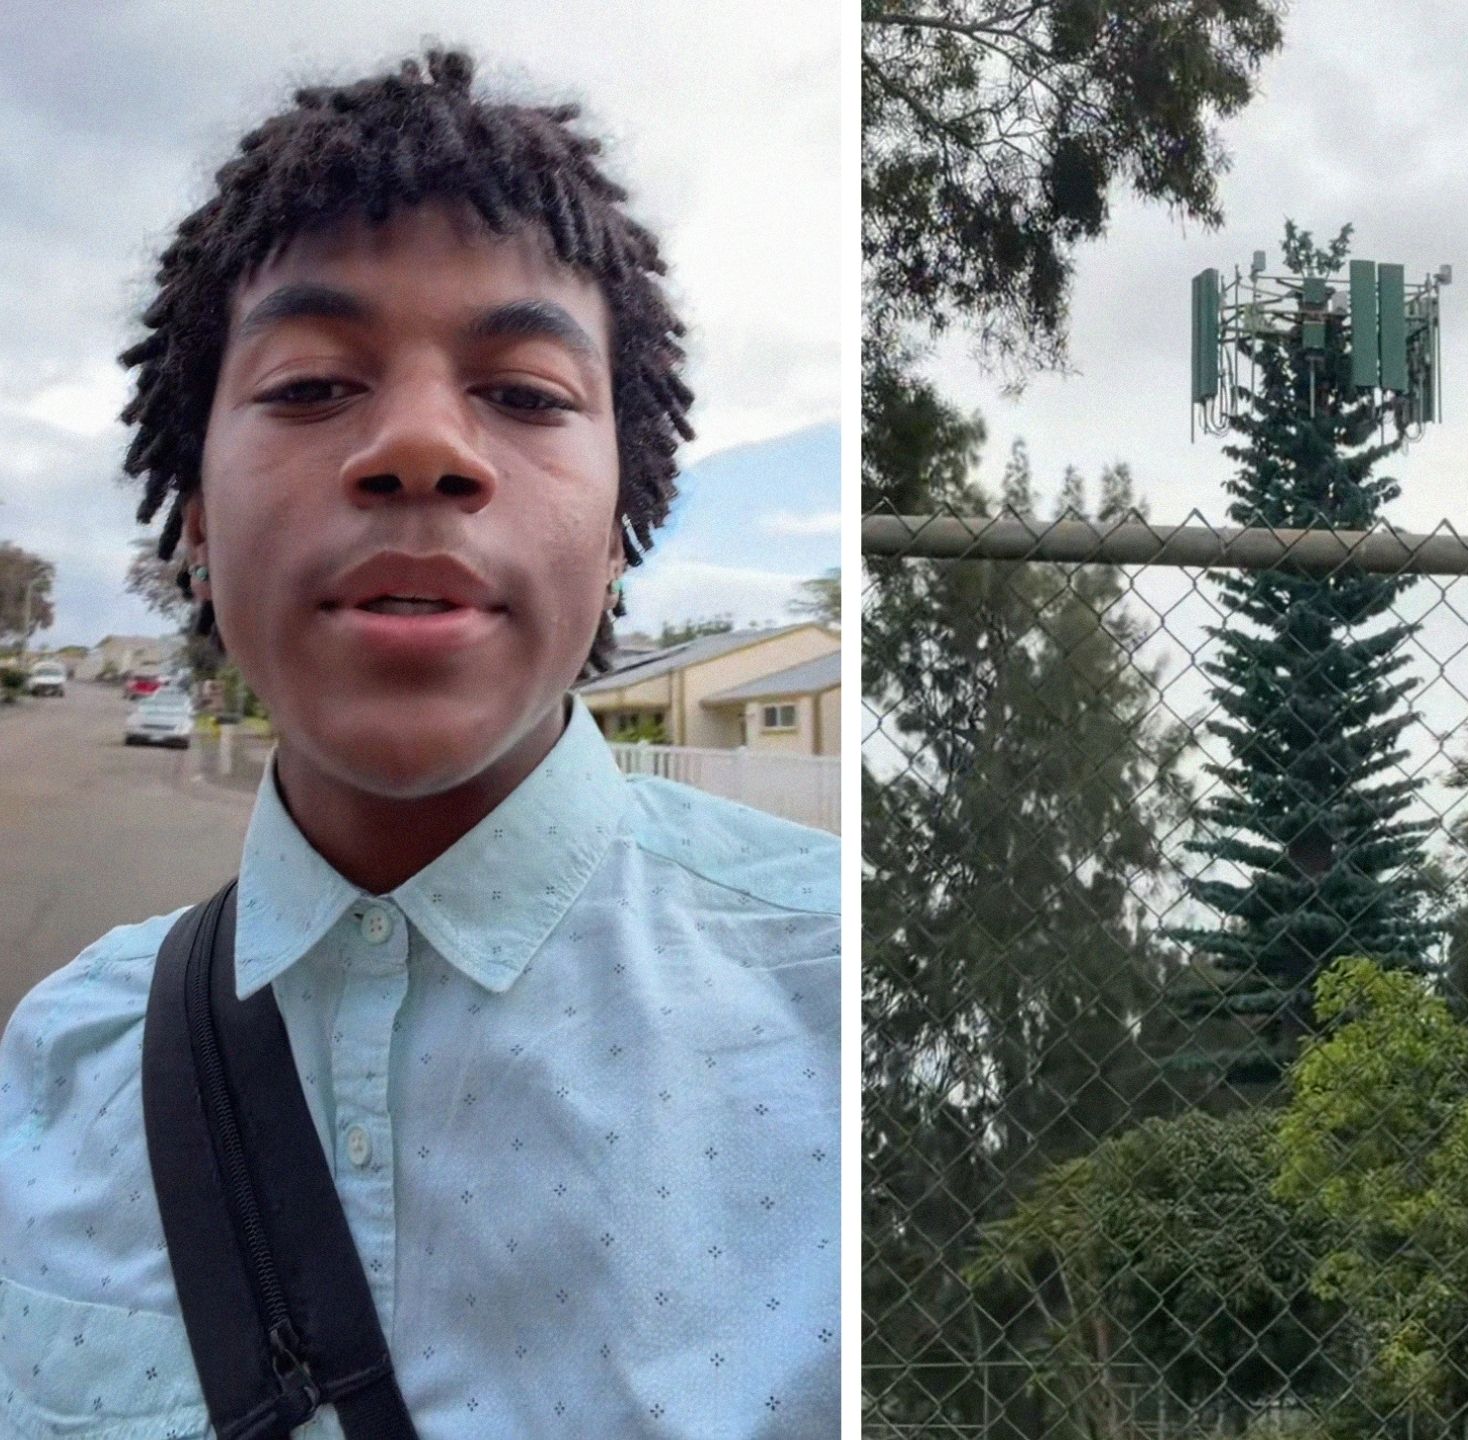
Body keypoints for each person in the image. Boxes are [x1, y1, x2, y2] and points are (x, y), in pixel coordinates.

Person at [0, 51, 839, 1435]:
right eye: (313, 384)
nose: (419, 448)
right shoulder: (60, 1060)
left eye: (524, 393)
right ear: (194, 523)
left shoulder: (822, 1012)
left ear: (627, 522)